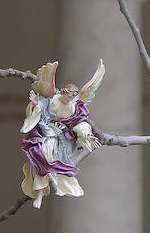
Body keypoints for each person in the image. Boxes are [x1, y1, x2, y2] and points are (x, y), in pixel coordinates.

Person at [20, 60, 103, 208]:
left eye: (72, 98)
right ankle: (39, 194)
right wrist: (34, 104)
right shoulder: (52, 100)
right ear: (63, 92)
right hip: (46, 134)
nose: (69, 100)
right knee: (42, 160)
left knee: (53, 164)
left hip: (62, 140)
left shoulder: (74, 107)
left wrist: (86, 135)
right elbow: (41, 109)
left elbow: (79, 123)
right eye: (68, 97)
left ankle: (48, 188)